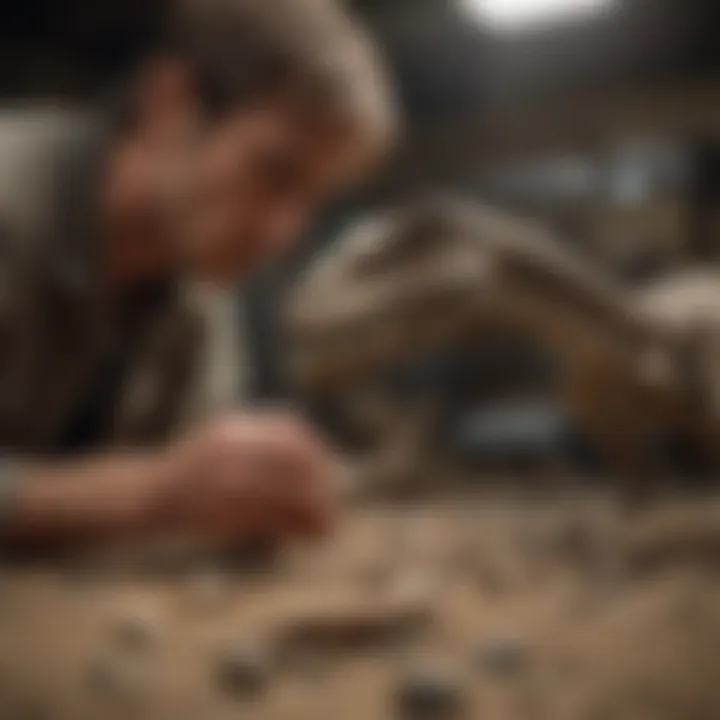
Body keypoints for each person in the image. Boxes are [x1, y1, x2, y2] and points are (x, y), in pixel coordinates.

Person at [0, 0, 396, 557]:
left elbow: (189, 490)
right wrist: (151, 493)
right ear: (170, 102)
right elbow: (157, 491)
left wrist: (248, 495)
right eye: (273, 172)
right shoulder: (11, 201)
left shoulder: (198, 294)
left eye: (311, 199)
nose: (283, 233)